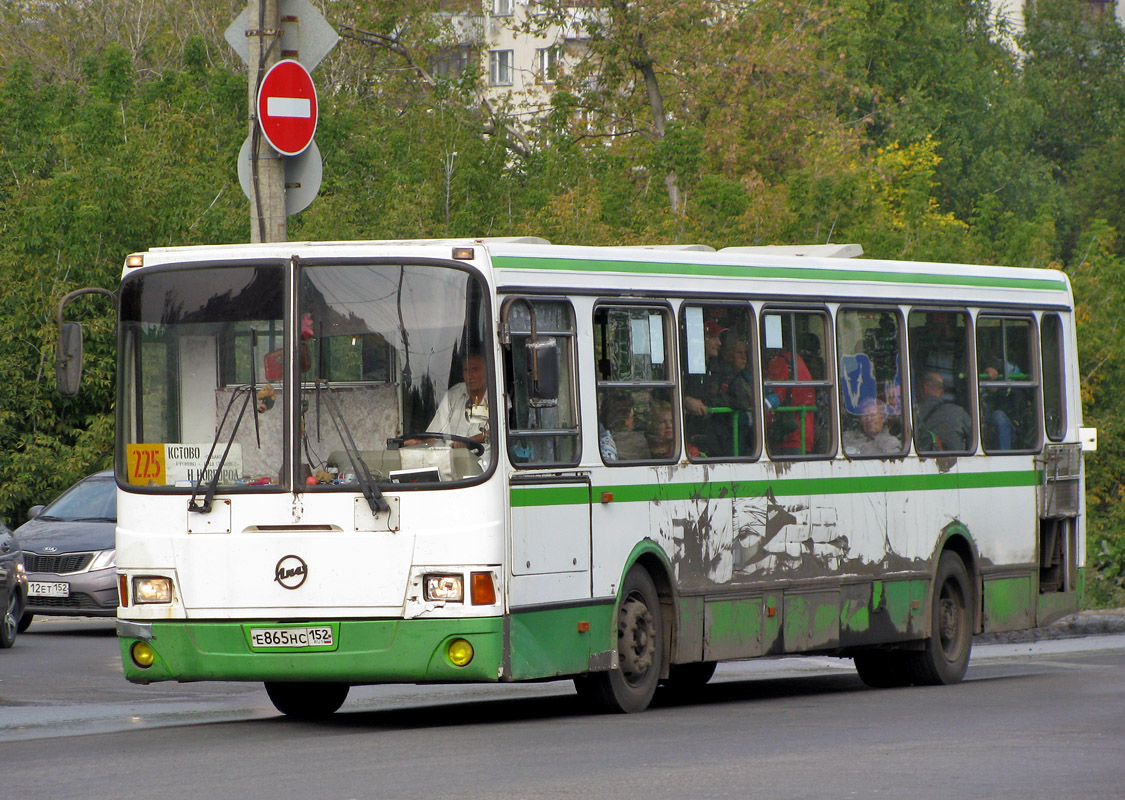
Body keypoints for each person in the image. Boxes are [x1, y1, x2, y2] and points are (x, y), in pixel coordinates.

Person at [406, 351, 489, 450]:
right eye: (466, 370)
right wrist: (420, 443)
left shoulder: (497, 396)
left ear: (487, 371)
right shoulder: (454, 395)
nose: (470, 376)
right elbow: (437, 433)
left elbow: (498, 432)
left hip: (487, 463)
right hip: (452, 459)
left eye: (475, 370)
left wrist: (469, 442)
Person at [914, 371, 972, 452]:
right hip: (957, 462)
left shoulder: (912, 413)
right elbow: (973, 437)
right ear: (941, 392)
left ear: (924, 387)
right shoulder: (958, 412)